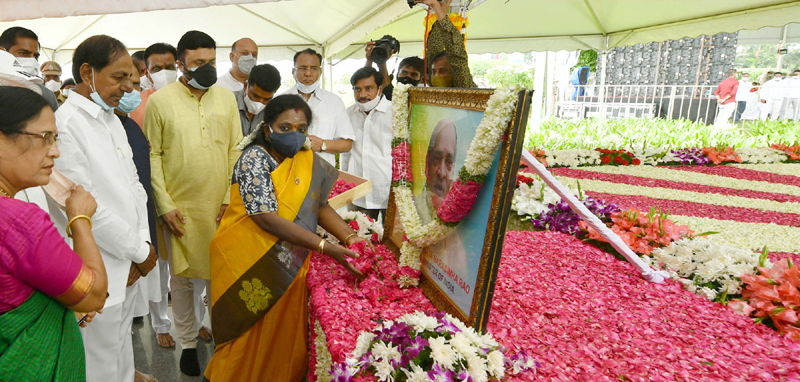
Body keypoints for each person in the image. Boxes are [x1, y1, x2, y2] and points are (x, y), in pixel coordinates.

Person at [204, 94, 363, 382]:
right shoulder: (254, 158)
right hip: (247, 258)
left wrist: (351, 238)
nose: (294, 135)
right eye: (285, 127)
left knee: (278, 334)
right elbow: (265, 217)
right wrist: (326, 247)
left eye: (301, 129)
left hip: (289, 259)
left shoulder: (304, 159)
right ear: (268, 129)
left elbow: (319, 205)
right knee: (244, 334)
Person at [53, 35, 158, 382]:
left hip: (129, 262)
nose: (128, 87)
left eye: (131, 78)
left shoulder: (111, 119)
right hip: (98, 267)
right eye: (119, 77)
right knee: (98, 365)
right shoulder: (66, 125)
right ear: (88, 73)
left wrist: (141, 249)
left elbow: (134, 186)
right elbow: (85, 208)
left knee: (123, 353)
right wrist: (139, 251)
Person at [143, 30, 242, 376]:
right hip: (179, 208)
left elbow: (235, 149)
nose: (208, 67)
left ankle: (220, 338)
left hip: (219, 206)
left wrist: (230, 197)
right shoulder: (160, 101)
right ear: (181, 63)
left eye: (212, 61)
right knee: (182, 281)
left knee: (220, 277)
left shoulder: (226, 98)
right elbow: (153, 155)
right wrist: (164, 204)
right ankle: (187, 342)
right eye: (199, 62)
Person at [0, 85, 108, 382]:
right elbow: (93, 295)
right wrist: (80, 218)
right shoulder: (17, 220)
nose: (55, 151)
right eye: (44, 138)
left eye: (55, 138)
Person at [282, 49, 354, 167]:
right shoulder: (281, 101)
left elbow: (347, 144)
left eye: (314, 68)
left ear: (320, 71)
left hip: (323, 174)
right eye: (303, 68)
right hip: (288, 172)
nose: (308, 73)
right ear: (293, 71)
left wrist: (322, 145)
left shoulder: (334, 102)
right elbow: (269, 138)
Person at [345, 67, 392, 222]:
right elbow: (345, 152)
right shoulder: (349, 113)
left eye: (368, 88)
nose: (362, 95)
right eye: (357, 89)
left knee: (391, 236)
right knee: (358, 234)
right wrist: (344, 183)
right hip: (357, 192)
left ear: (380, 89)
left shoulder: (395, 112)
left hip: (387, 191)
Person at [0, 28, 59, 110]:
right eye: (23, 53)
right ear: (2, 52)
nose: (32, 60)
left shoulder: (45, 94)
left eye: (35, 56)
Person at [421, 0, 476, 88]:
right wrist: (441, 9)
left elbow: (456, 52)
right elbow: (434, 47)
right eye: (434, 71)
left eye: (443, 71)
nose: (436, 75)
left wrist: (436, 5)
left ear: (454, 71)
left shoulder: (465, 88)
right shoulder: (434, 89)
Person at [130, 43, 179, 128]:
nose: (164, 73)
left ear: (177, 70)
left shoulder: (191, 99)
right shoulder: (136, 104)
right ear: (147, 74)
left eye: (169, 67)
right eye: (156, 69)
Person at [235, 63, 281, 137]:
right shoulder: (228, 102)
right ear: (245, 86)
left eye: (266, 99)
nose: (260, 102)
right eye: (255, 96)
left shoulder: (273, 112)